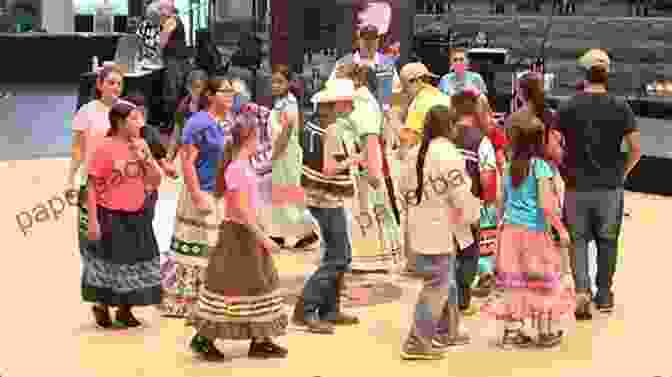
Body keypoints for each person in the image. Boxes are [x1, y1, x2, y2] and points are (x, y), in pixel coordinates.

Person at [188, 112, 287, 361]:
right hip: (239, 235)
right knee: (229, 286)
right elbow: (241, 211)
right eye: (258, 137)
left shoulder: (243, 166)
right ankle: (203, 337)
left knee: (258, 285)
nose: (261, 142)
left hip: (249, 233)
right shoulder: (237, 169)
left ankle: (260, 338)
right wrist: (263, 238)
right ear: (250, 138)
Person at [557, 49, 641, 319]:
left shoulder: (568, 105)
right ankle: (604, 294)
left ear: (583, 74)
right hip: (609, 188)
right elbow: (635, 148)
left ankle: (582, 291)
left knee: (577, 240)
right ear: (607, 74)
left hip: (576, 187)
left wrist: (564, 168)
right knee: (608, 241)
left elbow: (551, 144)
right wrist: (622, 173)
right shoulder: (621, 106)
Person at [481, 111, 575, 348]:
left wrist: (502, 227)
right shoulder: (541, 167)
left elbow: (501, 202)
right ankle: (545, 333)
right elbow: (546, 204)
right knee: (543, 281)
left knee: (515, 282)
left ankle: (512, 333)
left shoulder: (512, 165)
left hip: (509, 232)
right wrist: (561, 229)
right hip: (534, 232)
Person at [398, 105, 480, 360]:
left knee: (445, 281)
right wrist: (474, 215)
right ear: (450, 127)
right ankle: (417, 341)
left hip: (419, 226)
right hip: (440, 228)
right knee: (437, 285)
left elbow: (403, 189)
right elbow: (459, 194)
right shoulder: (448, 154)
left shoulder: (414, 153)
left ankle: (447, 330)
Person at [159, 78, 235, 319]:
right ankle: (185, 300)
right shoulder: (197, 123)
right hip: (199, 193)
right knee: (193, 245)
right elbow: (188, 162)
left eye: (232, 91)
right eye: (225, 91)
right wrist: (197, 195)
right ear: (211, 95)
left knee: (213, 246)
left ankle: (210, 297)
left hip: (218, 193)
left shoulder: (226, 122)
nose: (231, 95)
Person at [84, 98, 164, 328]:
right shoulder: (104, 147)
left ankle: (125, 309)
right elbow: (91, 185)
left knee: (136, 261)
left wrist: (146, 160)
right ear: (120, 122)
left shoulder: (141, 145)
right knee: (109, 261)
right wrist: (93, 221)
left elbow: (156, 179)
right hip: (109, 214)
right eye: (134, 118)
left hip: (137, 213)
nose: (140, 122)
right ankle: (101, 305)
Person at [293, 79, 361, 334]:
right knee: (339, 257)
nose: (352, 105)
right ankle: (307, 309)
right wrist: (355, 158)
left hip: (315, 196)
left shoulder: (311, 124)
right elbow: (330, 169)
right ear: (339, 104)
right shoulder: (331, 129)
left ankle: (330, 309)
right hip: (328, 199)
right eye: (349, 101)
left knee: (335, 254)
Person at [335, 63, 403, 272]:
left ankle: (369, 260)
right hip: (357, 164)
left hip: (363, 167)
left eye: (340, 78)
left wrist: (372, 170)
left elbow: (370, 138)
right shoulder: (357, 100)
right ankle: (365, 258)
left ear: (355, 80)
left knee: (368, 211)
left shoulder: (362, 101)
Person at [70, 65, 123, 327]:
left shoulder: (126, 111)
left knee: (121, 245)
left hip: (121, 187)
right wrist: (71, 179)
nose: (116, 87)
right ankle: (100, 301)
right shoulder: (86, 112)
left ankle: (124, 302)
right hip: (92, 185)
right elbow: (78, 150)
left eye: (119, 83)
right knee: (93, 243)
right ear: (100, 85)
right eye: (111, 83)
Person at [449, 88, 500, 314]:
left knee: (445, 252)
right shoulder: (481, 141)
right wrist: (487, 204)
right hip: (469, 205)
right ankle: (462, 298)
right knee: (468, 253)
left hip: (442, 204)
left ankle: (445, 297)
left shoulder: (444, 136)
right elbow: (487, 177)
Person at [267, 64, 320, 250]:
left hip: (286, 153)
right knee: (281, 194)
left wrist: (274, 155)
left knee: (289, 193)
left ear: (289, 84)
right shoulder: (281, 102)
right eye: (273, 81)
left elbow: (287, 133)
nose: (275, 85)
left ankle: (308, 233)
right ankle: (278, 233)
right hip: (283, 152)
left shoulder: (289, 103)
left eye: (280, 82)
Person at [158, 0, 189, 130]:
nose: (159, 12)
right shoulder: (176, 19)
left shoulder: (171, 21)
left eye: (161, 9)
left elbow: (162, 42)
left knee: (171, 93)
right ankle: (176, 124)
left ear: (168, 9)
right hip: (180, 60)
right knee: (177, 92)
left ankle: (170, 124)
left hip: (174, 61)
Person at [172, 69, 208, 161]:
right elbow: (176, 135)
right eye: (192, 87)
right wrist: (169, 156)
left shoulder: (210, 105)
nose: (195, 91)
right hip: (186, 150)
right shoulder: (183, 106)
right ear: (187, 87)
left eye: (198, 87)